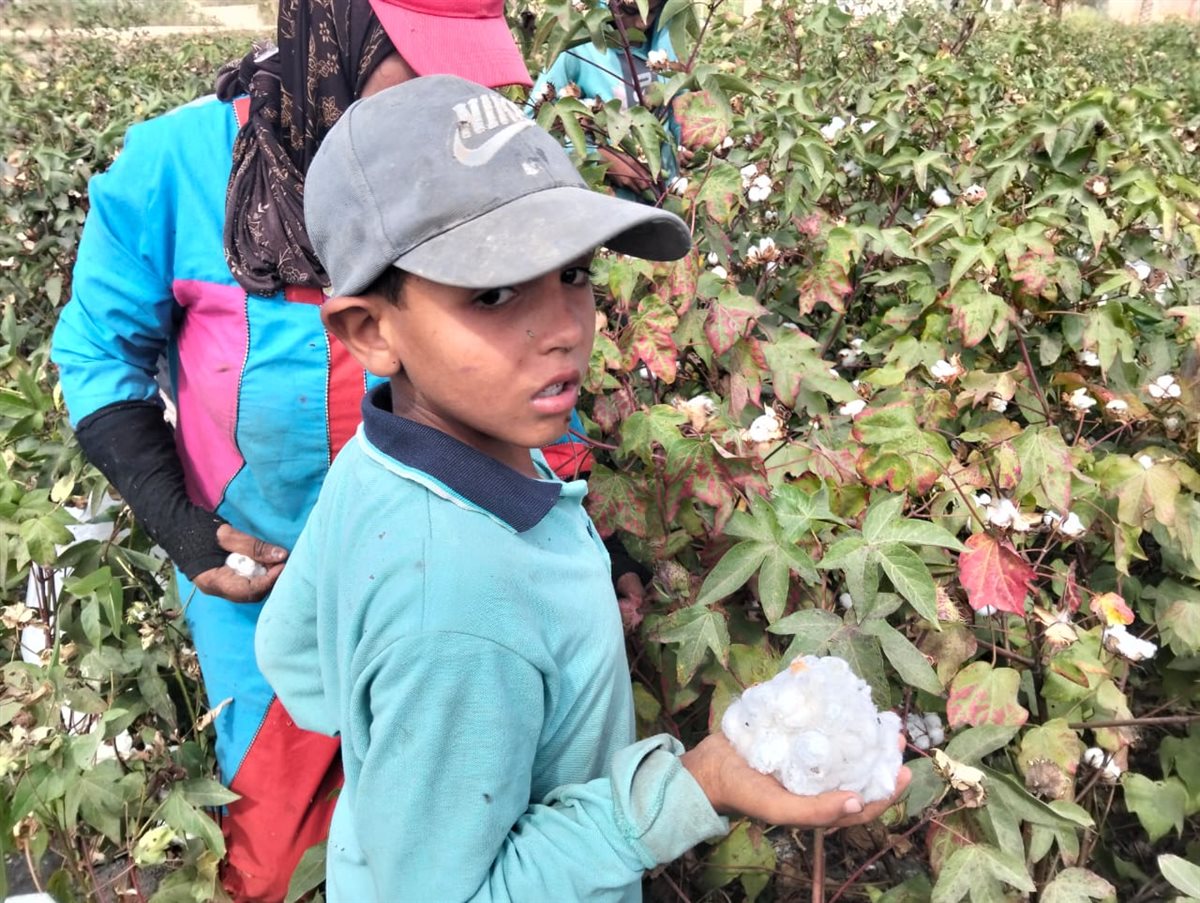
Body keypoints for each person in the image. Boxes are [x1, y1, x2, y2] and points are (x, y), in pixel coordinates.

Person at [256, 75, 911, 900]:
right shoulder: (457, 606)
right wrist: (696, 784)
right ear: (371, 331)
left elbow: (293, 652)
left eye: (573, 274)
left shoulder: (391, 452)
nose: (564, 327)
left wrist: (416, 764)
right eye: (493, 292)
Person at [49, 1, 538, 898]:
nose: (447, 101)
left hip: (445, 578)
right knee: (281, 861)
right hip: (265, 596)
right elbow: (95, 351)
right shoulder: (176, 169)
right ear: (333, 39)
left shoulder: (470, 159)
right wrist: (182, 529)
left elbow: (523, 339)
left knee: (461, 836)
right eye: (419, 66)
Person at [529, 0, 684, 194]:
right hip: (608, 207)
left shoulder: (666, 40)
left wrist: (690, 139)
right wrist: (601, 158)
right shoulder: (579, 47)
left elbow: (681, 102)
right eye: (630, 10)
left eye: (652, 12)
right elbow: (532, 125)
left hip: (665, 200)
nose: (642, 23)